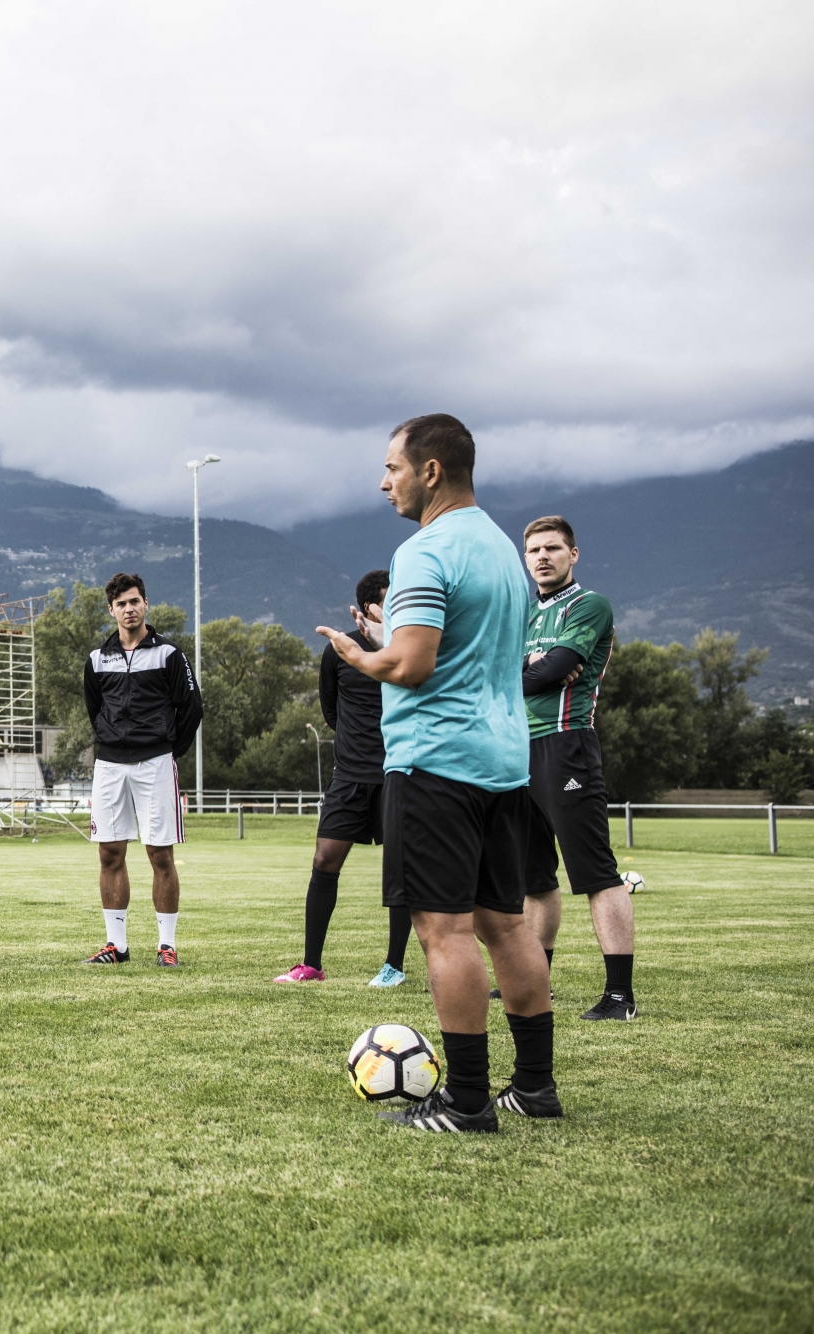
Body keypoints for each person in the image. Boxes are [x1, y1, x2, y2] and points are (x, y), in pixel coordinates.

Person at [317, 413, 559, 1132]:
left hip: (436, 762)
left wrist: (361, 655)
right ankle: (536, 1088)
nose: (382, 480)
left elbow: (413, 663)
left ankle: (467, 1102)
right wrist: (390, 643)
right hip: (502, 763)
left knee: (443, 931)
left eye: (391, 466)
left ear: (429, 471)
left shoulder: (424, 550)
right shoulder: (499, 549)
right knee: (506, 924)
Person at [521, 516, 639, 1021]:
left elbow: (550, 671)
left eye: (552, 548)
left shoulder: (588, 605)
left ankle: (619, 996)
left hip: (567, 746)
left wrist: (534, 670)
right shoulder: (523, 613)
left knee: (595, 874)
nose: (542, 557)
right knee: (533, 879)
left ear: (574, 554)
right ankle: (533, 985)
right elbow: (524, 673)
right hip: (516, 751)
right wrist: (530, 671)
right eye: (534, 551)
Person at [274, 570, 415, 986]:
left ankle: (394, 967)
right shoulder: (340, 650)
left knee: (400, 870)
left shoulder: (412, 645)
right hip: (351, 775)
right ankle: (311, 965)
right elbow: (331, 712)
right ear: (370, 605)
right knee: (324, 861)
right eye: (393, 597)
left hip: (400, 773)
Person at [81, 573, 203, 966]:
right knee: (110, 854)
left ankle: (166, 946)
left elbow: (192, 708)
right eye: (121, 604)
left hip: (156, 763)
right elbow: (95, 709)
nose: (129, 609)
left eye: (135, 601)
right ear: (111, 610)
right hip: (110, 765)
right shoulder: (98, 660)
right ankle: (116, 946)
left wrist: (168, 750)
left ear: (146, 604)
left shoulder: (169, 654)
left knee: (160, 855)